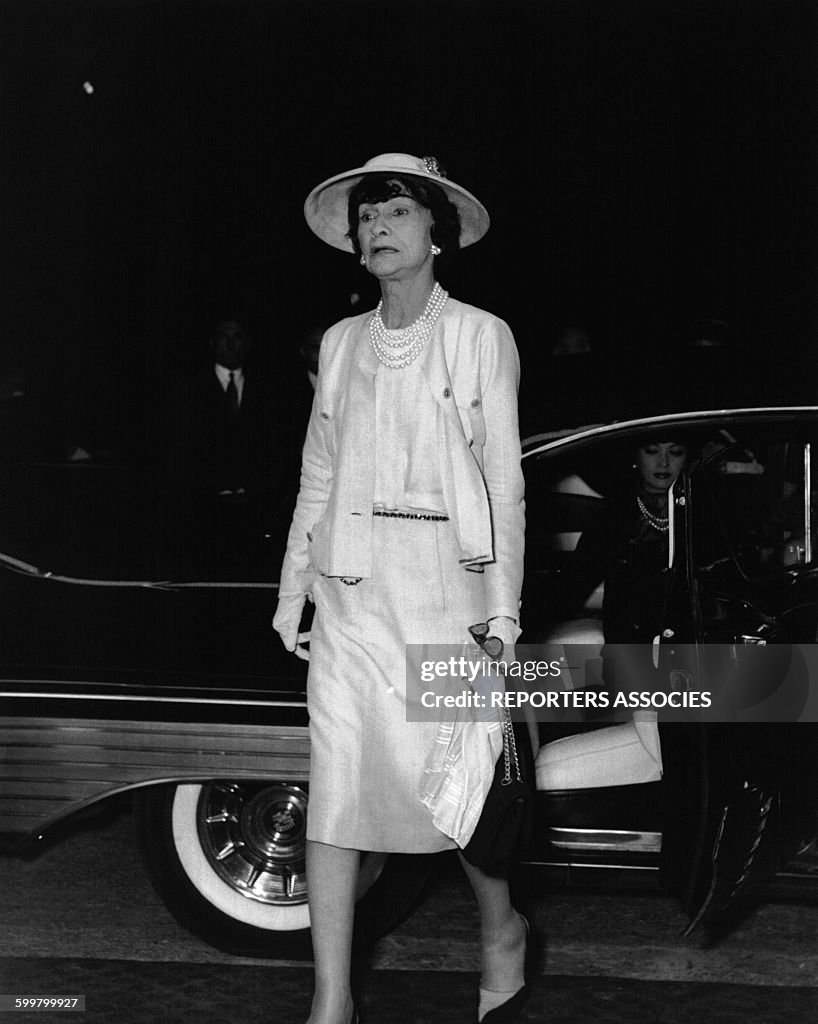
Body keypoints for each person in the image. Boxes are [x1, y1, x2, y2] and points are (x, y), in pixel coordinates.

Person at [273, 153, 527, 1024]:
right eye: (367, 216)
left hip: (444, 596)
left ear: (435, 233)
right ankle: (332, 999)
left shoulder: (481, 336)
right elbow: (317, 472)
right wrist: (291, 590)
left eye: (398, 211)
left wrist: (502, 614)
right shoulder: (341, 345)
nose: (378, 227)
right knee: (336, 789)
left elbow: (504, 483)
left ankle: (501, 926)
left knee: (455, 795)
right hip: (351, 590)